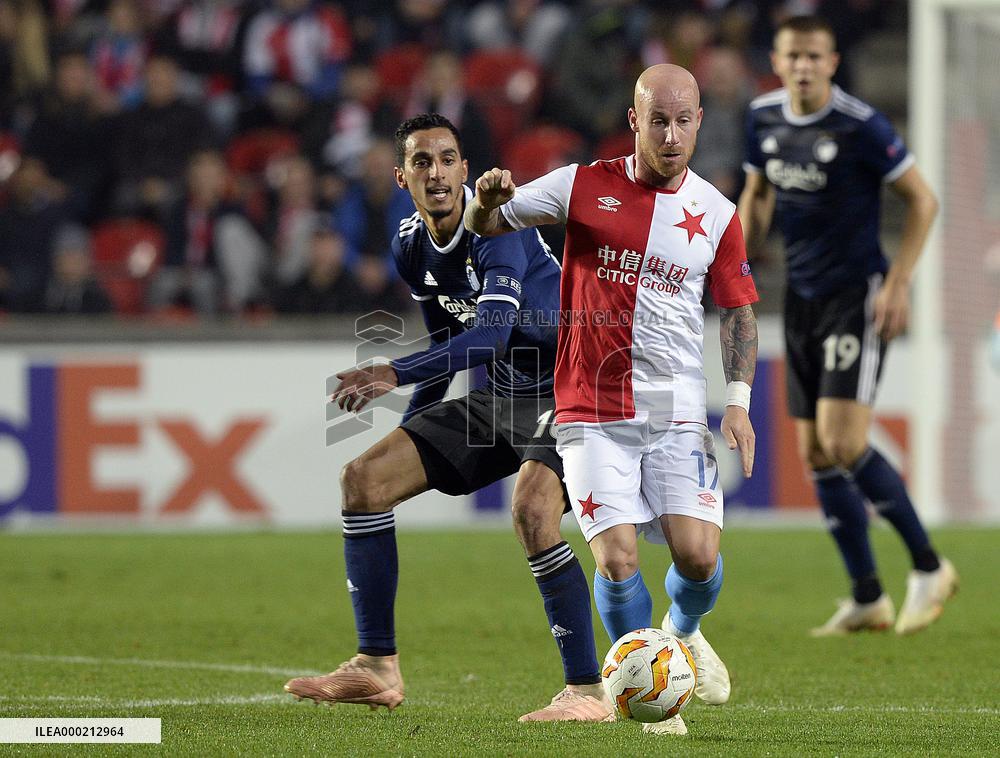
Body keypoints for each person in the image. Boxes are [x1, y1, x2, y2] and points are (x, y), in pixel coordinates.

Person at [283, 114, 613, 723]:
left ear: (465, 169)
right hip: (501, 395)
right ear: (401, 176)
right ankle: (376, 664)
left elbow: (487, 338)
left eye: (447, 160)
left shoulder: (497, 226)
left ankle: (587, 692)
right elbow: (446, 345)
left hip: (571, 387)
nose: (436, 173)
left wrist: (393, 371)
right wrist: (410, 432)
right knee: (364, 480)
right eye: (421, 161)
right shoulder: (409, 244)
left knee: (533, 510)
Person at [466, 64, 759, 736]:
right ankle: (651, 699)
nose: (671, 134)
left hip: (677, 410)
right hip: (590, 408)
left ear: (699, 122)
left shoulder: (717, 214)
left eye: (683, 121)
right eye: (658, 120)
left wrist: (739, 401)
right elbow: (489, 223)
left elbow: (739, 311)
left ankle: (683, 632)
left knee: (698, 558)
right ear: (634, 121)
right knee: (617, 556)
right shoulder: (581, 185)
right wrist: (485, 201)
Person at [737, 15, 956, 637]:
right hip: (801, 299)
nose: (803, 66)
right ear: (777, 62)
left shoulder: (861, 126)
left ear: (832, 62)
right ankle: (867, 597)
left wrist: (898, 281)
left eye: (814, 56)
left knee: (844, 441)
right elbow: (758, 193)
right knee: (814, 451)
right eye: (792, 56)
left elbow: (923, 200)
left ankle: (929, 566)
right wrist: (739, 263)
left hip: (854, 296)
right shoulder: (763, 117)